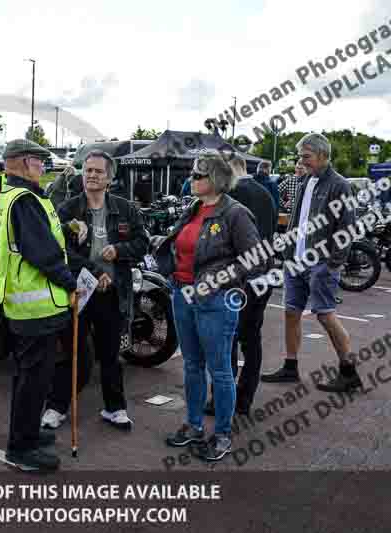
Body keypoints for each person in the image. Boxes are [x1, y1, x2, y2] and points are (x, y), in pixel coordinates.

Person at [154, 150, 262, 462]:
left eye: (197, 176)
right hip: (182, 293)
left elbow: (257, 259)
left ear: (214, 179)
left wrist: (219, 280)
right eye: (192, 175)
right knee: (191, 365)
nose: (191, 179)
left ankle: (223, 432)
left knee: (220, 369)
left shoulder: (236, 213)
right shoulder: (193, 207)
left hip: (215, 300)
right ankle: (194, 425)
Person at [41, 150, 149, 431]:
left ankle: (115, 408)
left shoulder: (126, 209)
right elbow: (58, 250)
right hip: (78, 291)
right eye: (87, 170)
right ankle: (56, 407)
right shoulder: (67, 209)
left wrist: (121, 249)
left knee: (111, 354)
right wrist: (92, 269)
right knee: (72, 353)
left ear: (109, 178)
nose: (91, 176)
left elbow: (142, 243)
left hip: (113, 294)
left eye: (98, 172)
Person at [0, 139, 79, 472]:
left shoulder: (12, 195)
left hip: (25, 304)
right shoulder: (25, 200)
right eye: (40, 162)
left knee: (28, 377)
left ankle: (25, 433)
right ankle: (21, 447)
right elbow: (43, 254)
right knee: (33, 379)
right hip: (36, 307)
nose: (44, 168)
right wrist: (72, 283)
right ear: (25, 162)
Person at [261, 133, 360, 392]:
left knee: (325, 315)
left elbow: (347, 229)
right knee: (291, 313)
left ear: (323, 155)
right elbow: (298, 219)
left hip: (320, 264)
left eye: (306, 156)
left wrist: (330, 264)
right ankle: (290, 367)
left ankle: (348, 372)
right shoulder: (306, 180)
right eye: (300, 156)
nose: (301, 161)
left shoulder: (339, 185)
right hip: (296, 261)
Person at [203, 153, 277, 416]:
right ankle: (245, 400)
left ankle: (222, 399)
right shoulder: (266, 192)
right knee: (251, 338)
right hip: (265, 273)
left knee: (228, 339)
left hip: (239, 277)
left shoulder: (232, 196)